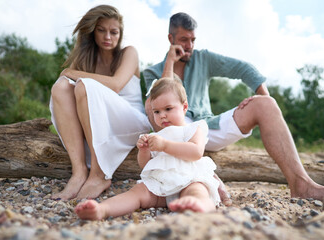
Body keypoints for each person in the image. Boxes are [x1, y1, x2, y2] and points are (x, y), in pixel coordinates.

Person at [143, 12, 324, 201]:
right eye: (183, 39)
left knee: (265, 104)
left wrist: (265, 101)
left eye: (192, 39)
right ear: (170, 38)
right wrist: (170, 63)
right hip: (171, 136)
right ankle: (203, 174)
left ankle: (302, 185)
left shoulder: (203, 58)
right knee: (148, 103)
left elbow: (244, 68)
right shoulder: (151, 73)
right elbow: (157, 103)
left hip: (206, 126)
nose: (189, 46)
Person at [74, 77, 220, 220]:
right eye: (156, 112)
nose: (162, 115)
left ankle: (198, 206)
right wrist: (144, 151)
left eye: (168, 109)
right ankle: (102, 209)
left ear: (184, 107)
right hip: (162, 185)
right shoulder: (157, 136)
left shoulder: (194, 128)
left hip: (190, 179)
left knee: (197, 192)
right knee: (137, 192)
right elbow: (146, 166)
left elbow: (195, 152)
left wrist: (165, 145)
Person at [49, 5, 151, 200]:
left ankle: (99, 174)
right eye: (101, 30)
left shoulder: (129, 53)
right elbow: (66, 86)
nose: (108, 37)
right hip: (100, 121)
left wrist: (70, 72)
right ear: (92, 32)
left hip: (130, 120)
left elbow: (115, 85)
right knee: (61, 87)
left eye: (114, 32)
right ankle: (79, 173)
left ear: (120, 34)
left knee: (83, 86)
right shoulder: (87, 59)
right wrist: (68, 75)